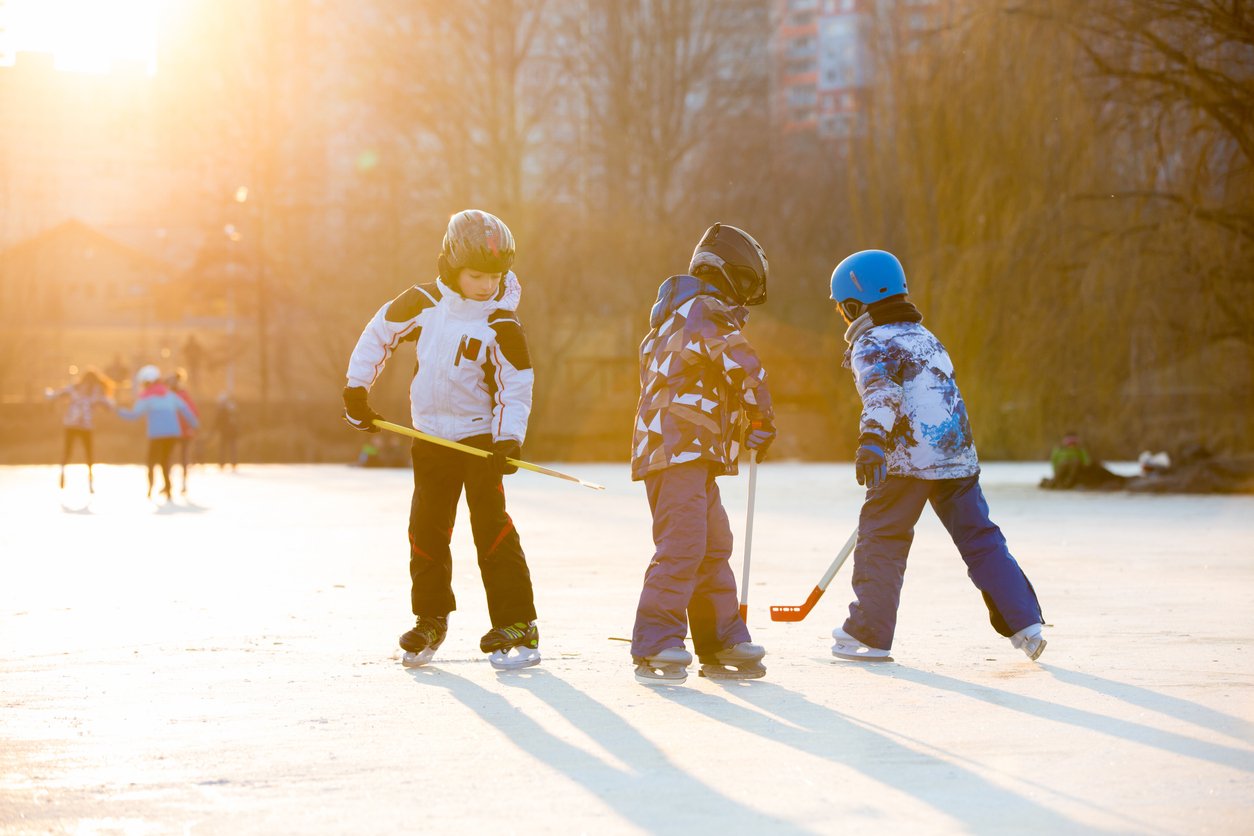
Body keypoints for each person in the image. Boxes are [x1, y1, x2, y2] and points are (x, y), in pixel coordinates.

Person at [341, 209, 541, 671]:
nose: (487, 285)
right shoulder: (423, 301)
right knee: (426, 529)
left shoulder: (502, 323)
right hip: (430, 440)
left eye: (496, 276)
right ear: (452, 264)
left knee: (491, 528)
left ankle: (518, 621)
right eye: (476, 275)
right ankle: (430, 617)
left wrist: (508, 439)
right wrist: (357, 388)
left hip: (480, 443)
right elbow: (379, 333)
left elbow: (517, 383)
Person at [828, 250, 1046, 662]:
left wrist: (871, 439)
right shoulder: (926, 338)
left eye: (842, 307)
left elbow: (882, 394)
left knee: (882, 539)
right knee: (980, 538)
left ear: (856, 303)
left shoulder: (872, 342)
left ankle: (869, 634)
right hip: (956, 454)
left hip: (908, 459)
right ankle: (1026, 623)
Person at [629, 223, 775, 685]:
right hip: (677, 452)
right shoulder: (704, 311)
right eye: (746, 288)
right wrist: (761, 416)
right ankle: (656, 640)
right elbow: (743, 364)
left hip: (688, 452)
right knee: (684, 544)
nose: (744, 303)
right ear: (728, 275)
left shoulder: (678, 314)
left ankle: (720, 638)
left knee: (713, 544)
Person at [117, 364, 199, 501]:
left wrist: (117, 410)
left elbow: (133, 415)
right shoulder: (170, 395)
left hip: (156, 434)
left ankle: (150, 488)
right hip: (173, 433)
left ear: (146, 382)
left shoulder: (146, 398)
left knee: (151, 461)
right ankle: (168, 489)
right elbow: (186, 410)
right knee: (165, 461)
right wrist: (195, 425)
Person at [45, 366, 116, 492]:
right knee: (70, 453)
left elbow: (107, 404)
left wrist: (111, 406)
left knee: (86, 455)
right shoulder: (77, 389)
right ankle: (64, 474)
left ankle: (89, 481)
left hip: (82, 426)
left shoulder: (91, 391)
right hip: (74, 426)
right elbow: (58, 394)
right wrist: (50, 395)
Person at [167, 368, 201, 494]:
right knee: (173, 458)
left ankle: (182, 484)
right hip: (173, 432)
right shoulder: (171, 395)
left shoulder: (181, 396)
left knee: (181, 459)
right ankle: (170, 483)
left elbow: (193, 412)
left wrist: (192, 427)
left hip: (182, 432)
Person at [211, 393, 240, 471]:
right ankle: (231, 463)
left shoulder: (224, 409)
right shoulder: (232, 408)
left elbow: (217, 421)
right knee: (231, 448)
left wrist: (213, 430)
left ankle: (223, 463)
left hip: (226, 432)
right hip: (230, 432)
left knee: (225, 448)